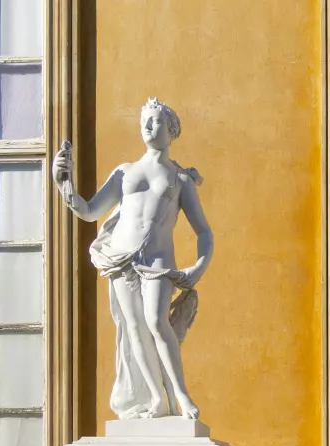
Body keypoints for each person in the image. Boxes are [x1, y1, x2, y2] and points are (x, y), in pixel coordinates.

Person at [50, 98, 214, 420]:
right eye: (144, 121)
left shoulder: (180, 179)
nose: (148, 127)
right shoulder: (125, 172)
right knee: (135, 328)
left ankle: (182, 397)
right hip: (120, 257)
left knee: (156, 320)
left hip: (157, 261)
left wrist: (199, 266)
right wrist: (63, 184)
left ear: (172, 129)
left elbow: (204, 232)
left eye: (155, 121)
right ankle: (157, 400)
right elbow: (89, 211)